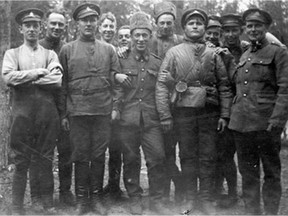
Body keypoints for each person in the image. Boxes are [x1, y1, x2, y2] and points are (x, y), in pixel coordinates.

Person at [156, 8, 233, 215]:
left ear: (205, 28)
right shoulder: (173, 53)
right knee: (188, 155)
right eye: (191, 23)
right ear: (184, 28)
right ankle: (190, 198)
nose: (196, 26)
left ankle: (206, 198)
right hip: (183, 113)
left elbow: (224, 85)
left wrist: (225, 115)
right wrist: (165, 115)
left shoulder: (213, 54)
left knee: (208, 155)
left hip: (209, 113)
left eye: (200, 23)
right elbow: (162, 85)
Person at [58, 3, 122, 215]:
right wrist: (64, 113)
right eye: (84, 20)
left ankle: (95, 198)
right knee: (80, 155)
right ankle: (82, 200)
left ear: (97, 23)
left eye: (92, 19)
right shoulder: (67, 49)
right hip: (77, 111)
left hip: (102, 110)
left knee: (98, 154)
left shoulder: (109, 49)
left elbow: (116, 82)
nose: (89, 23)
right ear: (77, 23)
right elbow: (62, 84)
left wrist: (115, 107)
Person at [2, 8, 63, 214]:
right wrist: (36, 73)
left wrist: (25, 79)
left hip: (47, 114)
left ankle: (46, 203)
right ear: (21, 29)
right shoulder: (13, 54)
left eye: (35, 25)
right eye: (27, 25)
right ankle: (17, 206)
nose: (32, 29)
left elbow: (56, 80)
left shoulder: (50, 54)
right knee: (21, 161)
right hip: (22, 115)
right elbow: (8, 77)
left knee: (45, 158)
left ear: (40, 28)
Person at [229, 8, 288, 215]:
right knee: (247, 172)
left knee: (271, 172)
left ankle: (271, 212)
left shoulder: (278, 52)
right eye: (250, 26)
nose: (253, 29)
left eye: (258, 25)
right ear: (245, 28)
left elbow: (285, 88)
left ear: (266, 27)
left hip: (265, 123)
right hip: (241, 125)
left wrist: (278, 120)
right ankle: (252, 212)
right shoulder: (245, 54)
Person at [115, 11, 171, 215]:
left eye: (144, 35)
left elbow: (164, 88)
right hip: (128, 119)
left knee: (157, 158)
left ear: (150, 37)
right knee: (130, 159)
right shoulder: (120, 60)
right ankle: (135, 198)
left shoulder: (157, 62)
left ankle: (156, 200)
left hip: (151, 119)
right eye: (136, 35)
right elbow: (113, 83)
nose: (140, 39)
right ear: (131, 37)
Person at [28, 9, 75, 209]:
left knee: (66, 153)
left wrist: (64, 112)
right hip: (40, 110)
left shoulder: (67, 49)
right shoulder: (35, 49)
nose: (56, 27)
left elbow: (68, 83)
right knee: (39, 154)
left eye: (60, 25)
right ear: (46, 24)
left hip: (63, 111)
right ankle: (39, 196)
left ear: (65, 28)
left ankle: (65, 193)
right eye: (53, 23)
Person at [204, 15, 238, 208]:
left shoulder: (227, 52)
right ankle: (216, 190)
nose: (212, 37)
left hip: (230, 108)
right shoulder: (202, 51)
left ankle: (232, 192)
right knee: (212, 153)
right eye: (209, 33)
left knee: (226, 153)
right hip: (210, 109)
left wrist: (228, 58)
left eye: (216, 34)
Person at [151, 1, 184, 204]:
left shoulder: (181, 40)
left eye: (169, 22)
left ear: (174, 23)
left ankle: (182, 188)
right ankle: (162, 192)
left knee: (176, 150)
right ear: (156, 23)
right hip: (153, 104)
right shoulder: (148, 40)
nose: (165, 26)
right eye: (161, 22)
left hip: (178, 103)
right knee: (160, 152)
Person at [103, 24, 132, 199]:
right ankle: (109, 186)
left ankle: (119, 186)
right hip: (109, 105)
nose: (123, 39)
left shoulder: (134, 55)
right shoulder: (114, 54)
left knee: (122, 150)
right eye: (120, 36)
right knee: (109, 149)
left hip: (128, 109)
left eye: (127, 36)